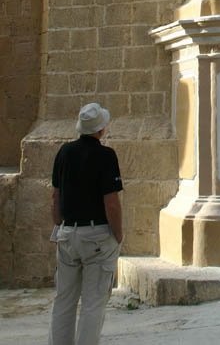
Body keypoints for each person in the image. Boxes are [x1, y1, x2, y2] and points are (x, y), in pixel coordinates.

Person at [48, 102, 123, 345]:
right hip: (97, 235)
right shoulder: (106, 155)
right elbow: (111, 202)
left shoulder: (64, 152)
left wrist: (61, 224)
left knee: (64, 300)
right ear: (101, 129)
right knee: (93, 303)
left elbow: (55, 196)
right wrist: (118, 234)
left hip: (68, 233)